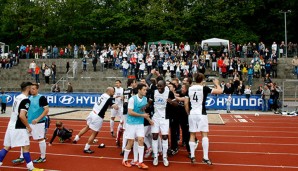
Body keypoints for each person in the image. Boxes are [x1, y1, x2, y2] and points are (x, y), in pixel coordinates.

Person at [0, 82, 43, 170]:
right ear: (27, 88)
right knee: (26, 146)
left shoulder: (17, 97)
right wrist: (28, 126)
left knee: (7, 146)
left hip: (11, 124)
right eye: (31, 88)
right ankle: (31, 168)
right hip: (18, 126)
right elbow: (22, 115)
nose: (32, 90)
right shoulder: (25, 99)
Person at [185, 73, 223, 165]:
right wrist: (217, 83)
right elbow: (220, 91)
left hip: (192, 113)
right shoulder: (204, 88)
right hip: (201, 113)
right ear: (202, 80)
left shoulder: (189, 88)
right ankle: (205, 157)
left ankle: (193, 156)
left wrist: (188, 113)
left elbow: (186, 103)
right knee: (204, 134)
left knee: (192, 134)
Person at [72, 87, 118, 154]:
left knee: (87, 127)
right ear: (110, 91)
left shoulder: (103, 95)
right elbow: (115, 107)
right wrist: (118, 103)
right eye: (113, 91)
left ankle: (76, 138)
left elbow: (109, 98)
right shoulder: (110, 98)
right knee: (94, 133)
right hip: (98, 116)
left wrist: (115, 97)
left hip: (93, 112)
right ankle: (86, 148)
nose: (113, 93)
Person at [12, 83, 49, 164]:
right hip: (28, 123)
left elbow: (46, 110)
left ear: (37, 89)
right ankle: (22, 157)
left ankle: (43, 157)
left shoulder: (41, 98)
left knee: (40, 139)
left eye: (33, 89)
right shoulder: (29, 98)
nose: (32, 90)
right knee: (24, 139)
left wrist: (38, 119)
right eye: (31, 89)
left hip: (38, 123)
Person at [122, 83, 152, 169]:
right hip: (131, 123)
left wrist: (149, 120)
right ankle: (125, 160)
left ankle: (140, 162)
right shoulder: (132, 99)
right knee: (130, 142)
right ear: (139, 90)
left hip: (140, 124)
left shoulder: (145, 99)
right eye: (144, 90)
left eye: (146, 90)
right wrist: (143, 116)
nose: (145, 91)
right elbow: (130, 112)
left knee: (141, 140)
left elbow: (142, 111)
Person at [151, 80, 176, 167]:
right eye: (158, 86)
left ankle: (165, 157)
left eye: (161, 86)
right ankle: (155, 156)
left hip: (165, 118)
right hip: (155, 117)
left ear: (165, 86)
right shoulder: (154, 91)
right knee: (154, 136)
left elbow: (176, 104)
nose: (159, 88)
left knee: (165, 137)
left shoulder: (169, 93)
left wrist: (171, 102)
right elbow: (150, 102)